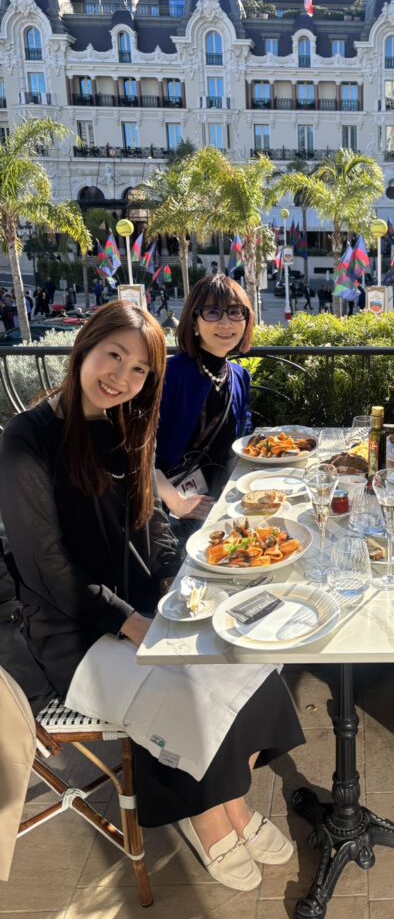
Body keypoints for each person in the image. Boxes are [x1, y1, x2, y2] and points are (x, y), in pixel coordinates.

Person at [0, 301, 303, 890]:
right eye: (113, 356)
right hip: (68, 629)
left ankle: (232, 805)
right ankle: (209, 821)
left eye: (139, 369)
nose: (122, 377)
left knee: (249, 661)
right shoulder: (27, 439)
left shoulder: (127, 424)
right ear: (84, 349)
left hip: (143, 603)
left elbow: (154, 520)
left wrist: (170, 576)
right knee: (183, 691)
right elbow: (46, 567)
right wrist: (131, 623)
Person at [155, 274, 253, 533]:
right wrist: (177, 503)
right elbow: (136, 451)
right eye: (212, 312)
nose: (226, 322)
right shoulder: (169, 375)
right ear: (194, 322)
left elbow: (241, 443)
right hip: (169, 512)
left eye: (235, 312)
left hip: (223, 505)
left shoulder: (240, 377)